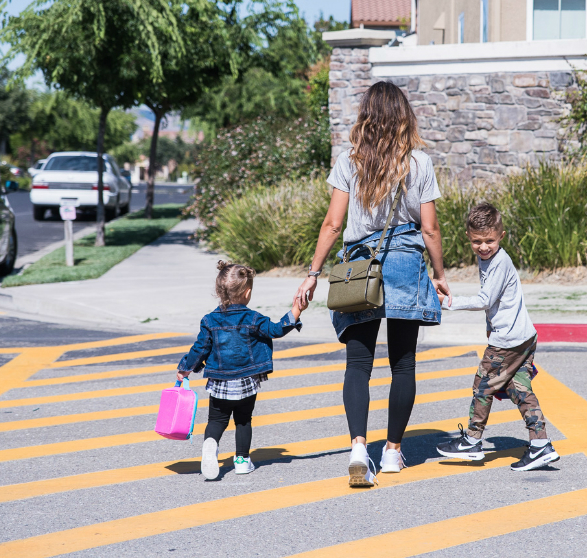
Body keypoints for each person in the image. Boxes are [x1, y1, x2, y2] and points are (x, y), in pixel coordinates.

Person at [295, 80, 450, 488]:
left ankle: (359, 448)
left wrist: (313, 274)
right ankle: (394, 451)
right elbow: (430, 229)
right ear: (404, 117)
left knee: (358, 364)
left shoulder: (350, 162)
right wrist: (439, 273)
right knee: (403, 363)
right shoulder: (420, 162)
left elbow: (332, 223)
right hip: (403, 265)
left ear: (366, 116)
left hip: (361, 268)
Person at [435, 202, 560, 471]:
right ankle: (541, 445)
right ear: (468, 236)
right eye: (477, 241)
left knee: (483, 386)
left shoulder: (500, 262)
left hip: (508, 342)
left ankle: (472, 440)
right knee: (519, 389)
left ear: (501, 236)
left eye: (489, 240)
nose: (483, 246)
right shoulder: (487, 258)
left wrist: (448, 302)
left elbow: (485, 299)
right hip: (523, 337)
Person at [177, 261, 302, 480]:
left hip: (219, 383)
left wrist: (186, 368)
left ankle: (210, 446)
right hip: (246, 382)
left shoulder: (209, 321)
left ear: (219, 291)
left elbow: (200, 349)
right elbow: (274, 330)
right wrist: (295, 312)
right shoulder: (253, 318)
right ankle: (242, 461)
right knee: (243, 420)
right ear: (247, 292)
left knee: (216, 420)